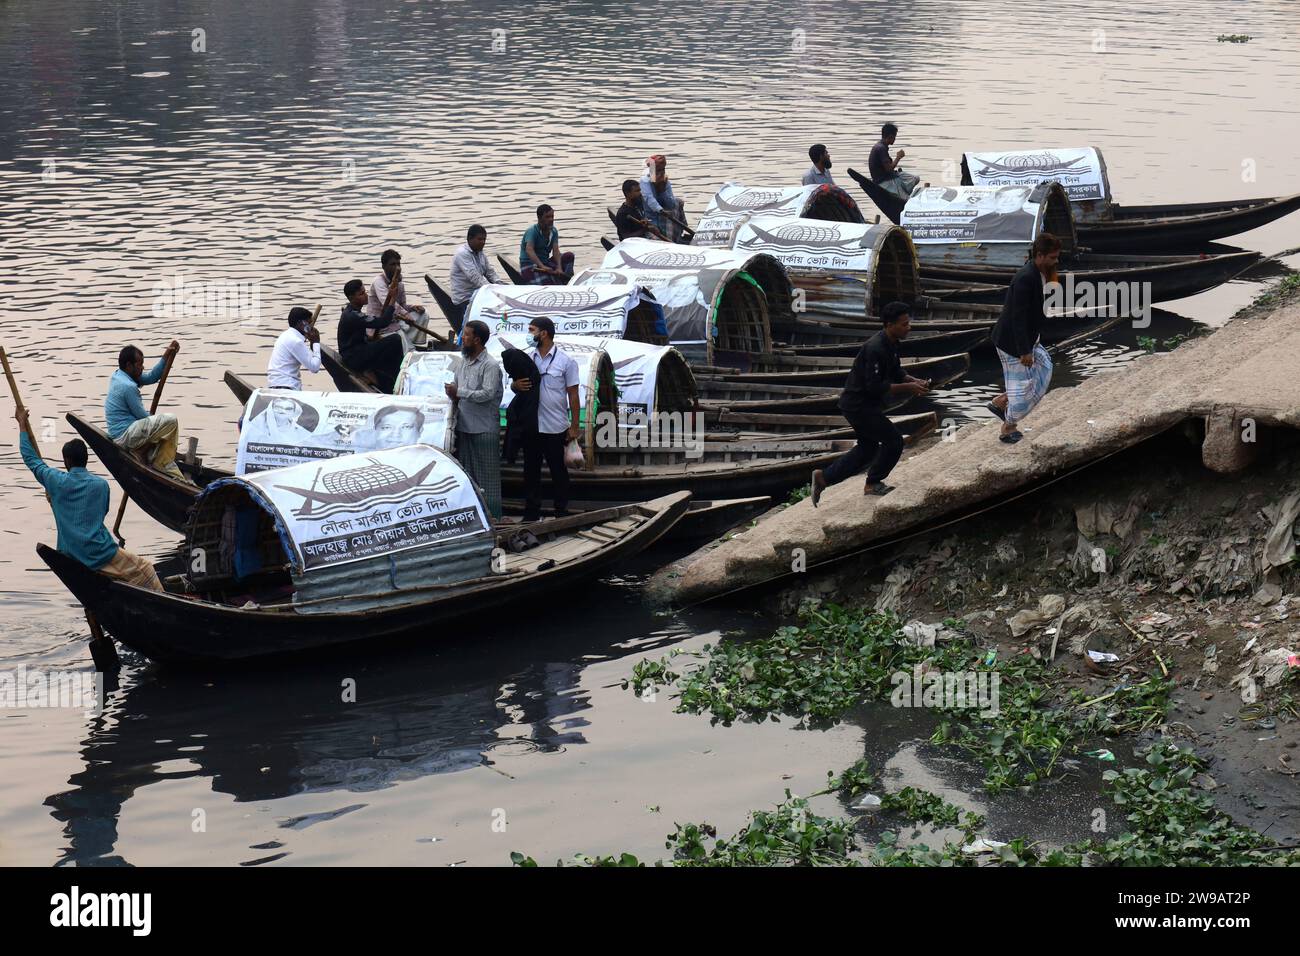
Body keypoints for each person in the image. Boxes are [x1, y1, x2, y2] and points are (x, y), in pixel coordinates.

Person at [16, 406, 163, 590]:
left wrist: (22, 424)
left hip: (70, 553)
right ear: (86, 459)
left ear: (67, 462)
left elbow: (31, 459)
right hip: (99, 553)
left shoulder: (56, 481)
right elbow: (101, 514)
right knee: (147, 570)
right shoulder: (101, 485)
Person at [810, 302, 929, 504]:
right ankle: (873, 483)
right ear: (889, 325)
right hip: (858, 405)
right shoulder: (875, 348)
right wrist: (908, 389)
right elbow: (875, 386)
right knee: (894, 441)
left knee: (868, 448)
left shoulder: (892, 343)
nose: (908, 327)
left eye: (908, 323)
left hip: (866, 405)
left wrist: (912, 380)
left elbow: (896, 371)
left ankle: (823, 477)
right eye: (904, 324)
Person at [988, 233, 1061, 444]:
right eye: (1053, 258)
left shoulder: (1039, 272)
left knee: (1045, 367)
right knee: (1022, 393)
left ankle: (1001, 401)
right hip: (1013, 344)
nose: (1056, 262)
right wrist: (1024, 352)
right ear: (1040, 255)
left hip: (1030, 340)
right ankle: (1007, 428)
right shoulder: (1025, 278)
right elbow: (1017, 318)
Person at [513, 317, 579, 520]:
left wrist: (575, 426)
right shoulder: (526, 358)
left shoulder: (566, 361)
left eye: (532, 330)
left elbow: (573, 395)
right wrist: (516, 386)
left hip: (555, 426)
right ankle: (532, 513)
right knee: (530, 471)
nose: (529, 334)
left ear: (544, 333)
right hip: (532, 424)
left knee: (558, 471)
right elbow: (514, 385)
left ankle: (561, 511)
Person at [445, 320, 504, 519]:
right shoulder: (462, 362)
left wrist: (459, 392)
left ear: (477, 340)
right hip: (464, 426)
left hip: (484, 428)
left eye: (467, 335)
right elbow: (455, 384)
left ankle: (493, 517)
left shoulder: (490, 365)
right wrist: (452, 392)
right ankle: (474, 517)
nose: (463, 339)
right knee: (466, 474)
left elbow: (487, 393)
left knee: (488, 478)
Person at [106, 341, 186, 481]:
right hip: (125, 436)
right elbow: (143, 417)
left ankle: (155, 456)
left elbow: (151, 377)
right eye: (139, 365)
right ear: (129, 365)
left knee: (161, 426)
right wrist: (158, 432)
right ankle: (152, 456)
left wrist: (166, 354)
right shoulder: (128, 386)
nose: (142, 368)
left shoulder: (120, 375)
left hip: (123, 433)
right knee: (171, 421)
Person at [340, 278, 404, 393]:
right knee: (395, 339)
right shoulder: (352, 316)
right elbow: (383, 322)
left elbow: (360, 335)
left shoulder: (354, 312)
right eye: (361, 294)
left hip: (358, 350)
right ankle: (400, 375)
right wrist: (392, 300)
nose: (366, 295)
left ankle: (387, 377)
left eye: (365, 292)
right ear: (351, 298)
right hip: (353, 357)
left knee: (385, 346)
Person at [369, 249, 431, 350]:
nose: (397, 267)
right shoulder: (378, 282)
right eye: (393, 264)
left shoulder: (400, 284)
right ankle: (406, 346)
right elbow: (388, 303)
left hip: (396, 321)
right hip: (381, 327)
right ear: (384, 267)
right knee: (404, 344)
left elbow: (402, 306)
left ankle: (411, 342)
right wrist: (406, 314)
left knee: (423, 315)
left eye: (398, 264)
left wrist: (413, 308)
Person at [448, 225, 500, 333]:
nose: (482, 242)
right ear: (470, 239)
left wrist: (500, 284)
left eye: (484, 239)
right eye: (479, 239)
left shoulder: (480, 253)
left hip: (478, 294)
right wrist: (492, 290)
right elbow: (475, 277)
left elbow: (489, 271)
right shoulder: (462, 254)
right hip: (465, 298)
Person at [266, 307, 323, 390]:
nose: (311, 327)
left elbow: (310, 358)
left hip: (276, 384)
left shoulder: (286, 335)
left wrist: (312, 343)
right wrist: (316, 342)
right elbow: (314, 367)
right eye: (309, 323)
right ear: (300, 323)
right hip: (286, 386)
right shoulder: (295, 341)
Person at [519, 205, 575, 284]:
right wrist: (542, 266)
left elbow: (556, 251)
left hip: (545, 262)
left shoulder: (554, 231)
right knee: (549, 283)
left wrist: (559, 268)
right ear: (539, 218)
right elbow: (529, 250)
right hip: (530, 266)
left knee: (569, 256)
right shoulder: (532, 231)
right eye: (547, 217)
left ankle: (566, 280)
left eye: (552, 216)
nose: (551, 219)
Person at [868, 123, 920, 202]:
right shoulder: (881, 148)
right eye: (894, 137)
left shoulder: (881, 146)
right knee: (906, 200)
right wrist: (898, 157)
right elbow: (889, 169)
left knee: (915, 178)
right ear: (890, 137)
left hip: (891, 176)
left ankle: (902, 191)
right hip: (884, 181)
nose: (895, 139)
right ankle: (901, 194)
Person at [639, 155, 686, 241]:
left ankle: (676, 238)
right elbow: (649, 198)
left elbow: (671, 204)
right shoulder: (644, 181)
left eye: (662, 170)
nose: (661, 173)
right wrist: (660, 210)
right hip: (651, 219)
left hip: (666, 217)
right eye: (658, 170)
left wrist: (662, 190)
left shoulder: (665, 182)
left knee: (678, 203)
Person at [243, 395, 316, 445]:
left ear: (294, 412)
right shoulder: (259, 427)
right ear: (271, 409)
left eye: (288, 409)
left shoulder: (300, 431)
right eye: (278, 407)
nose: (283, 411)